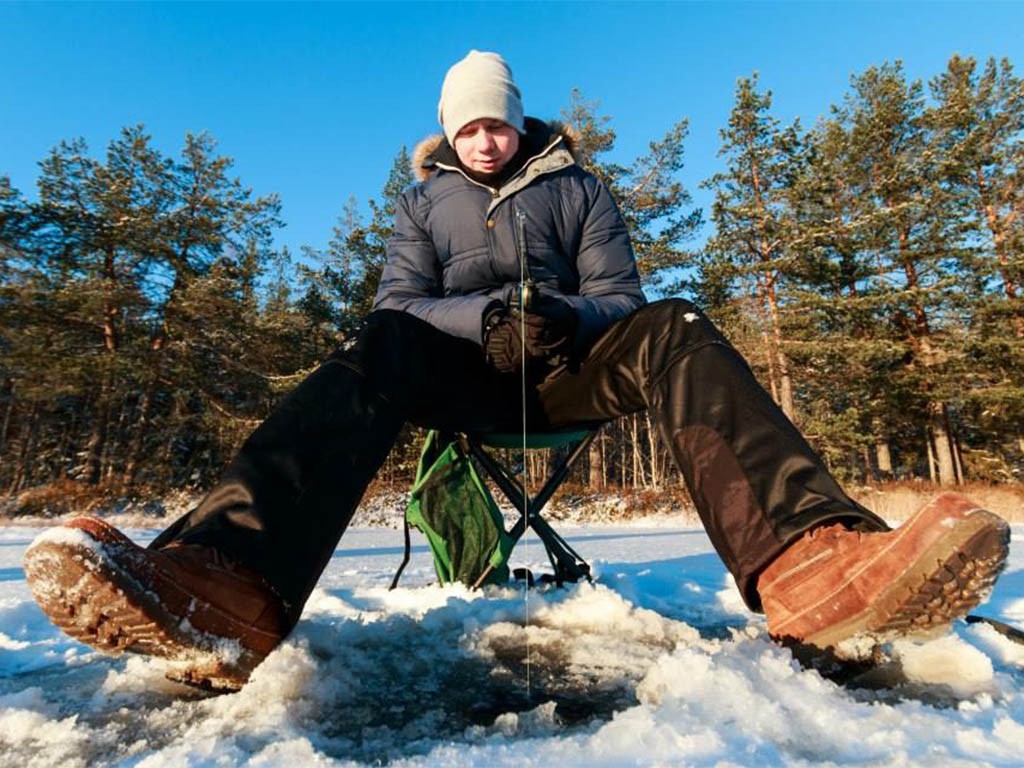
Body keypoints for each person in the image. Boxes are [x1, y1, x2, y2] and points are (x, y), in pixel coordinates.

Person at [24, 51, 1010, 690]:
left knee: (677, 324)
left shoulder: (577, 186)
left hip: (572, 372)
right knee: (374, 347)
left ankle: (809, 560)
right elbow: (400, 305)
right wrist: (483, 317)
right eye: (467, 128)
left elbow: (620, 295)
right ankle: (227, 574)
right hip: (460, 376)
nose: (483, 138)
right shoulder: (422, 207)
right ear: (449, 134)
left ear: (516, 122)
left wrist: (559, 316)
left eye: (495, 123)